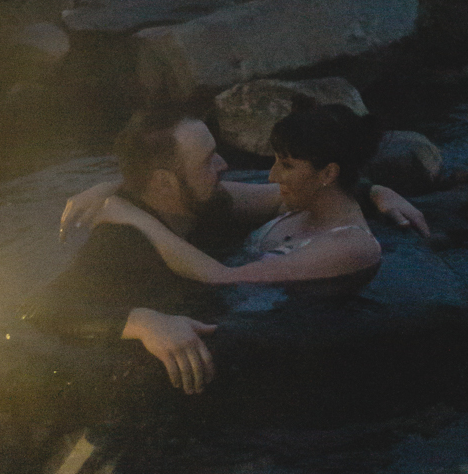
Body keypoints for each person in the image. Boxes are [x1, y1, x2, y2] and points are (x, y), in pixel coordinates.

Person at [26, 100, 430, 395]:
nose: (223, 165)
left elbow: (304, 194)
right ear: (165, 183)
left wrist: (376, 191)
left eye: (216, 151)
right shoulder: (121, 240)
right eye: (207, 160)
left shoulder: (213, 202)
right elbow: (45, 308)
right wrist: (142, 321)